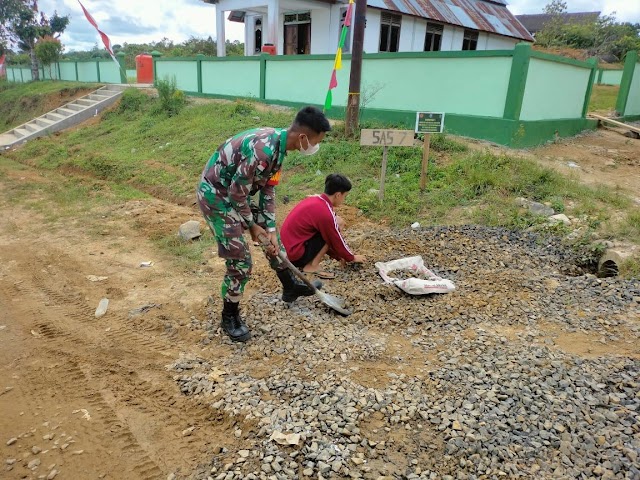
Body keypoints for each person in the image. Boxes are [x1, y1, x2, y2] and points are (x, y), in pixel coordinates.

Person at [197, 106, 331, 343]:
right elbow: (236, 193)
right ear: (302, 137)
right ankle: (229, 315)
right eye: (314, 141)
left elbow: (268, 189)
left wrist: (269, 229)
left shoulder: (280, 147)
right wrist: (252, 225)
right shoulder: (263, 151)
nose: (315, 146)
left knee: (273, 241)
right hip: (216, 195)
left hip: (237, 193)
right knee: (240, 261)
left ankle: (289, 285)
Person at [280, 174, 366, 279]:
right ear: (338, 195)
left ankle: (310, 263)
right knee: (336, 224)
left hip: (288, 250)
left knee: (333, 224)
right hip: (295, 254)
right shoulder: (324, 211)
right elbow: (334, 238)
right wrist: (351, 257)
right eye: (345, 196)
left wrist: (338, 256)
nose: (344, 200)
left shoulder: (316, 200)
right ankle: (312, 266)